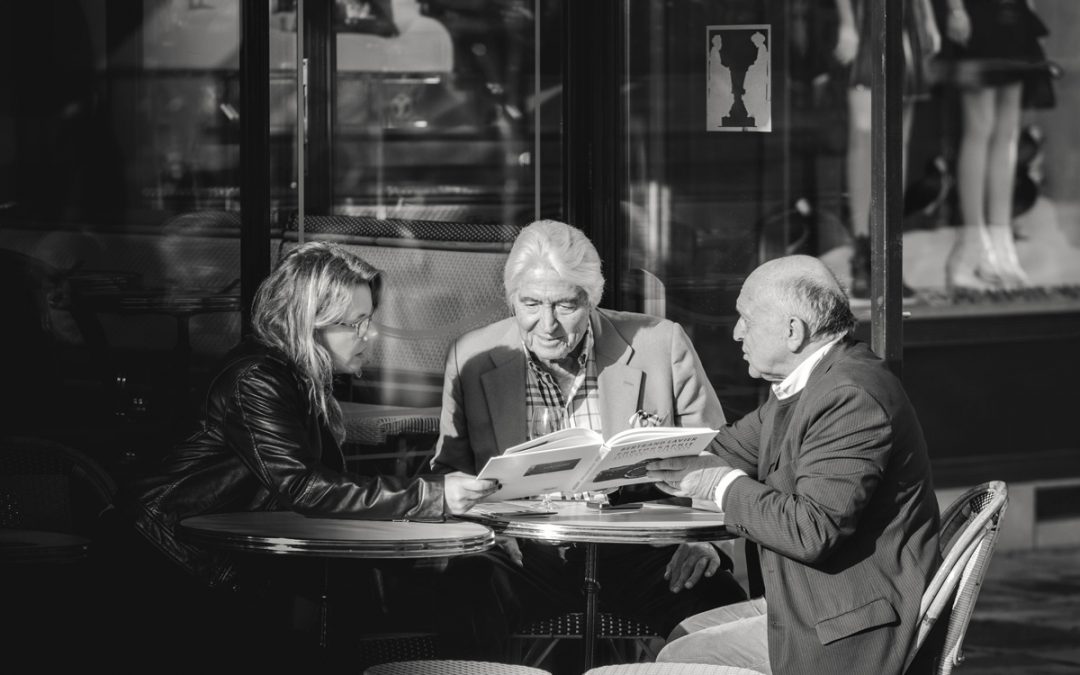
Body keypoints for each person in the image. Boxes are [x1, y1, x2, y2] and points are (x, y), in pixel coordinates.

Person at [130, 241, 498, 654]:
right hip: (171, 561)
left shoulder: (298, 375)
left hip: (228, 560)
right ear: (307, 323)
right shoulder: (258, 378)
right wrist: (430, 495)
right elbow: (304, 486)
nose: (369, 334)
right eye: (354, 323)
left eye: (369, 320)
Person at [430, 219, 747, 661]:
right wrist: (479, 531)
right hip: (524, 551)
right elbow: (450, 471)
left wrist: (707, 542)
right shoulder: (473, 355)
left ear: (592, 300)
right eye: (531, 304)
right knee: (462, 592)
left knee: (725, 612)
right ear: (511, 299)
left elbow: (717, 453)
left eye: (564, 306)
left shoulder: (660, 343)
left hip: (639, 550)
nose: (547, 324)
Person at [646, 255, 941, 675]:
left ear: (793, 331)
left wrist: (718, 483)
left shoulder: (850, 395)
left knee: (679, 659)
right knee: (683, 634)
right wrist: (642, 452)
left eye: (745, 318)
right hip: (817, 603)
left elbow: (811, 531)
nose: (735, 333)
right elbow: (725, 449)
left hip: (852, 624)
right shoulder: (807, 384)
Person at [939, 0, 1054, 292]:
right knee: (981, 126)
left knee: (1007, 131)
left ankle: (1002, 243)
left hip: (1012, 13)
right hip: (977, 13)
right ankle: (974, 244)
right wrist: (954, 8)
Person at [834, 0, 940, 300]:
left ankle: (886, 252)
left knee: (898, 143)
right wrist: (847, 23)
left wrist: (928, 19)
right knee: (864, 139)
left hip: (906, 19)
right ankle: (861, 250)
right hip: (866, 17)